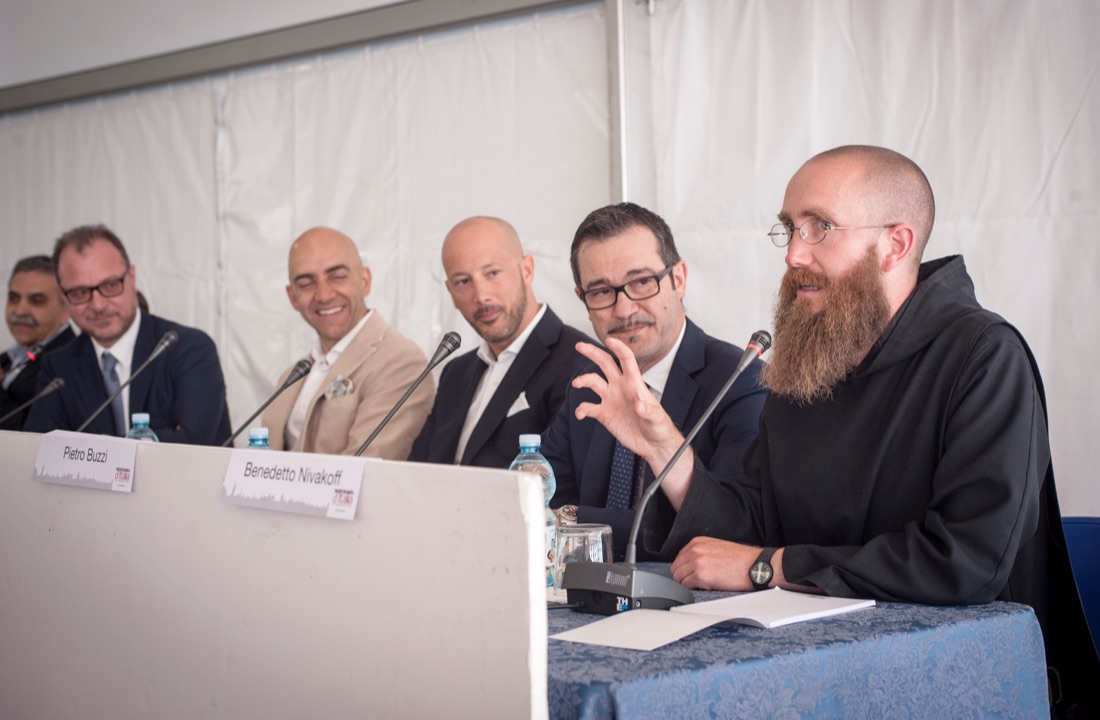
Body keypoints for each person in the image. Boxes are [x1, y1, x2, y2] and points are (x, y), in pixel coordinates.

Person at [581, 146, 1096, 715]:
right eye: (789, 229)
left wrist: (768, 567)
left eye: (820, 227)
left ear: (895, 244)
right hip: (808, 666)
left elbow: (966, 559)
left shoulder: (983, 356)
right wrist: (665, 450)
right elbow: (756, 519)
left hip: (954, 680)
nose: (795, 253)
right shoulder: (810, 357)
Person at [542, 202, 767, 559]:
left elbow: (731, 532)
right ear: (581, 300)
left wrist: (571, 520)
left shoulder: (740, 381)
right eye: (601, 292)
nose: (624, 309)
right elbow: (539, 495)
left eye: (642, 282)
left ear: (678, 279)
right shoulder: (590, 379)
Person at [409, 217, 591, 468]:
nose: (481, 295)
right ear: (450, 292)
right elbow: (419, 469)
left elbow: (561, 486)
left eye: (493, 273)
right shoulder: (455, 372)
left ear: (527, 270)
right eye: (463, 281)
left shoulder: (580, 364)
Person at [24, 225, 231, 444]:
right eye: (80, 293)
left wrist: (88, 452)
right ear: (62, 295)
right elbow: (41, 449)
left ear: (132, 277)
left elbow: (192, 443)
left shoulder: (189, 348)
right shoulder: (59, 367)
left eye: (110, 285)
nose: (98, 304)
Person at [262, 227, 432, 459]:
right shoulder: (290, 377)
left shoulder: (401, 361)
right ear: (293, 297)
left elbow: (365, 468)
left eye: (337, 276)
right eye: (306, 283)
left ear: (365, 281)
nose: (323, 295)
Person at [0, 255, 75, 430]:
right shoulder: (9, 357)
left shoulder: (71, 363)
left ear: (66, 308)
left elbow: (33, 439)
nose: (19, 310)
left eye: (36, 301)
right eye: (13, 298)